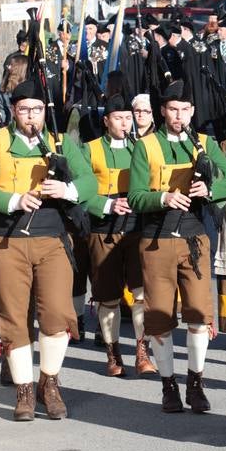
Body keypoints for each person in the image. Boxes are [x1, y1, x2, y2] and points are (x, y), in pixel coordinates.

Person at [0, 74, 98, 421]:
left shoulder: (59, 142)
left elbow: (89, 181)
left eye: (37, 109)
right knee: (14, 319)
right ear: (13, 111)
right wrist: (14, 199)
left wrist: (67, 192)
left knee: (58, 314)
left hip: (52, 240)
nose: (31, 116)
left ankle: (50, 382)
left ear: (45, 111)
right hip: (7, 240)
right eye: (25, 109)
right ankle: (24, 390)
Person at [128, 80, 226, 413]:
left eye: (185, 110)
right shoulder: (146, 146)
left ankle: (195, 382)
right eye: (173, 110)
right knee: (160, 318)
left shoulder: (204, 143)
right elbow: (135, 196)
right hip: (157, 240)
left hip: (195, 237)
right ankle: (168, 386)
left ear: (192, 111)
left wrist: (211, 187)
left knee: (199, 313)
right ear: (163, 111)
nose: (179, 116)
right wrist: (162, 196)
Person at [83, 95, 156, 377]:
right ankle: (113, 351)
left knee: (140, 293)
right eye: (118, 118)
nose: (125, 123)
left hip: (137, 228)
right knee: (108, 296)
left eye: (128, 117)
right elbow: (79, 193)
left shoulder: (143, 147)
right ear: (106, 121)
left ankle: (141, 349)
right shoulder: (89, 150)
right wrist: (106, 204)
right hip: (104, 230)